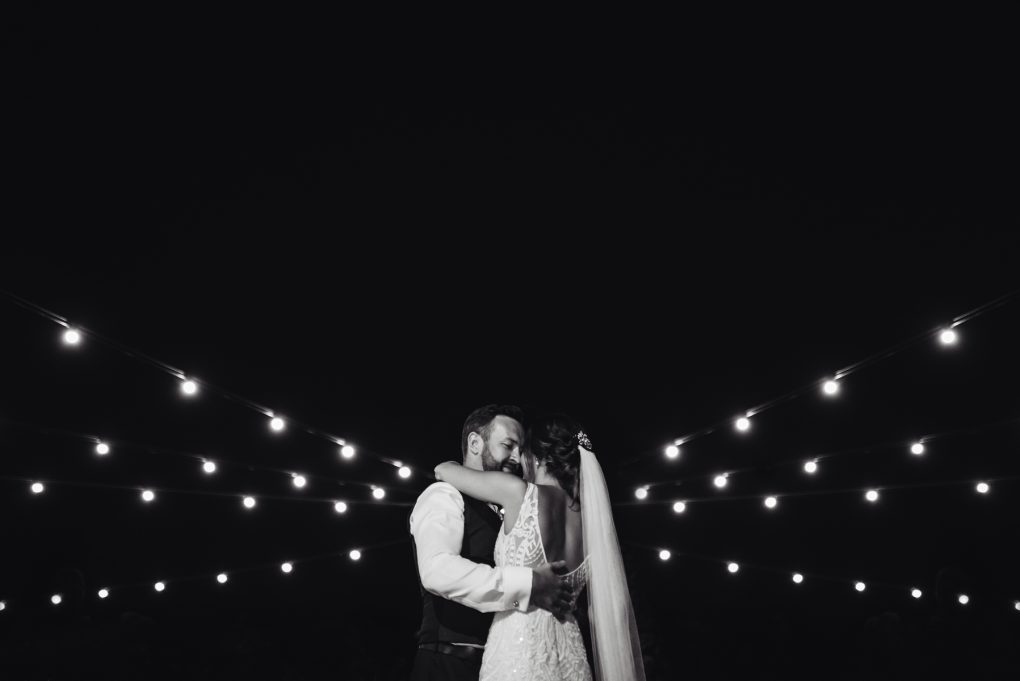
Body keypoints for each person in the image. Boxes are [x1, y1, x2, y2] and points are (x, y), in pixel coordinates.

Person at [434, 412, 645, 681]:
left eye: (521, 452)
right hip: (571, 655)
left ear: (534, 457)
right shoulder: (593, 521)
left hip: (519, 648)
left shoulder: (517, 492)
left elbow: (443, 470)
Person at [409, 405, 575, 681]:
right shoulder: (443, 495)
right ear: (475, 443)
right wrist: (529, 584)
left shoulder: (513, 508)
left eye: (521, 449)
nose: (517, 458)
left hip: (508, 663)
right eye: (508, 446)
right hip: (450, 663)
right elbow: (437, 570)